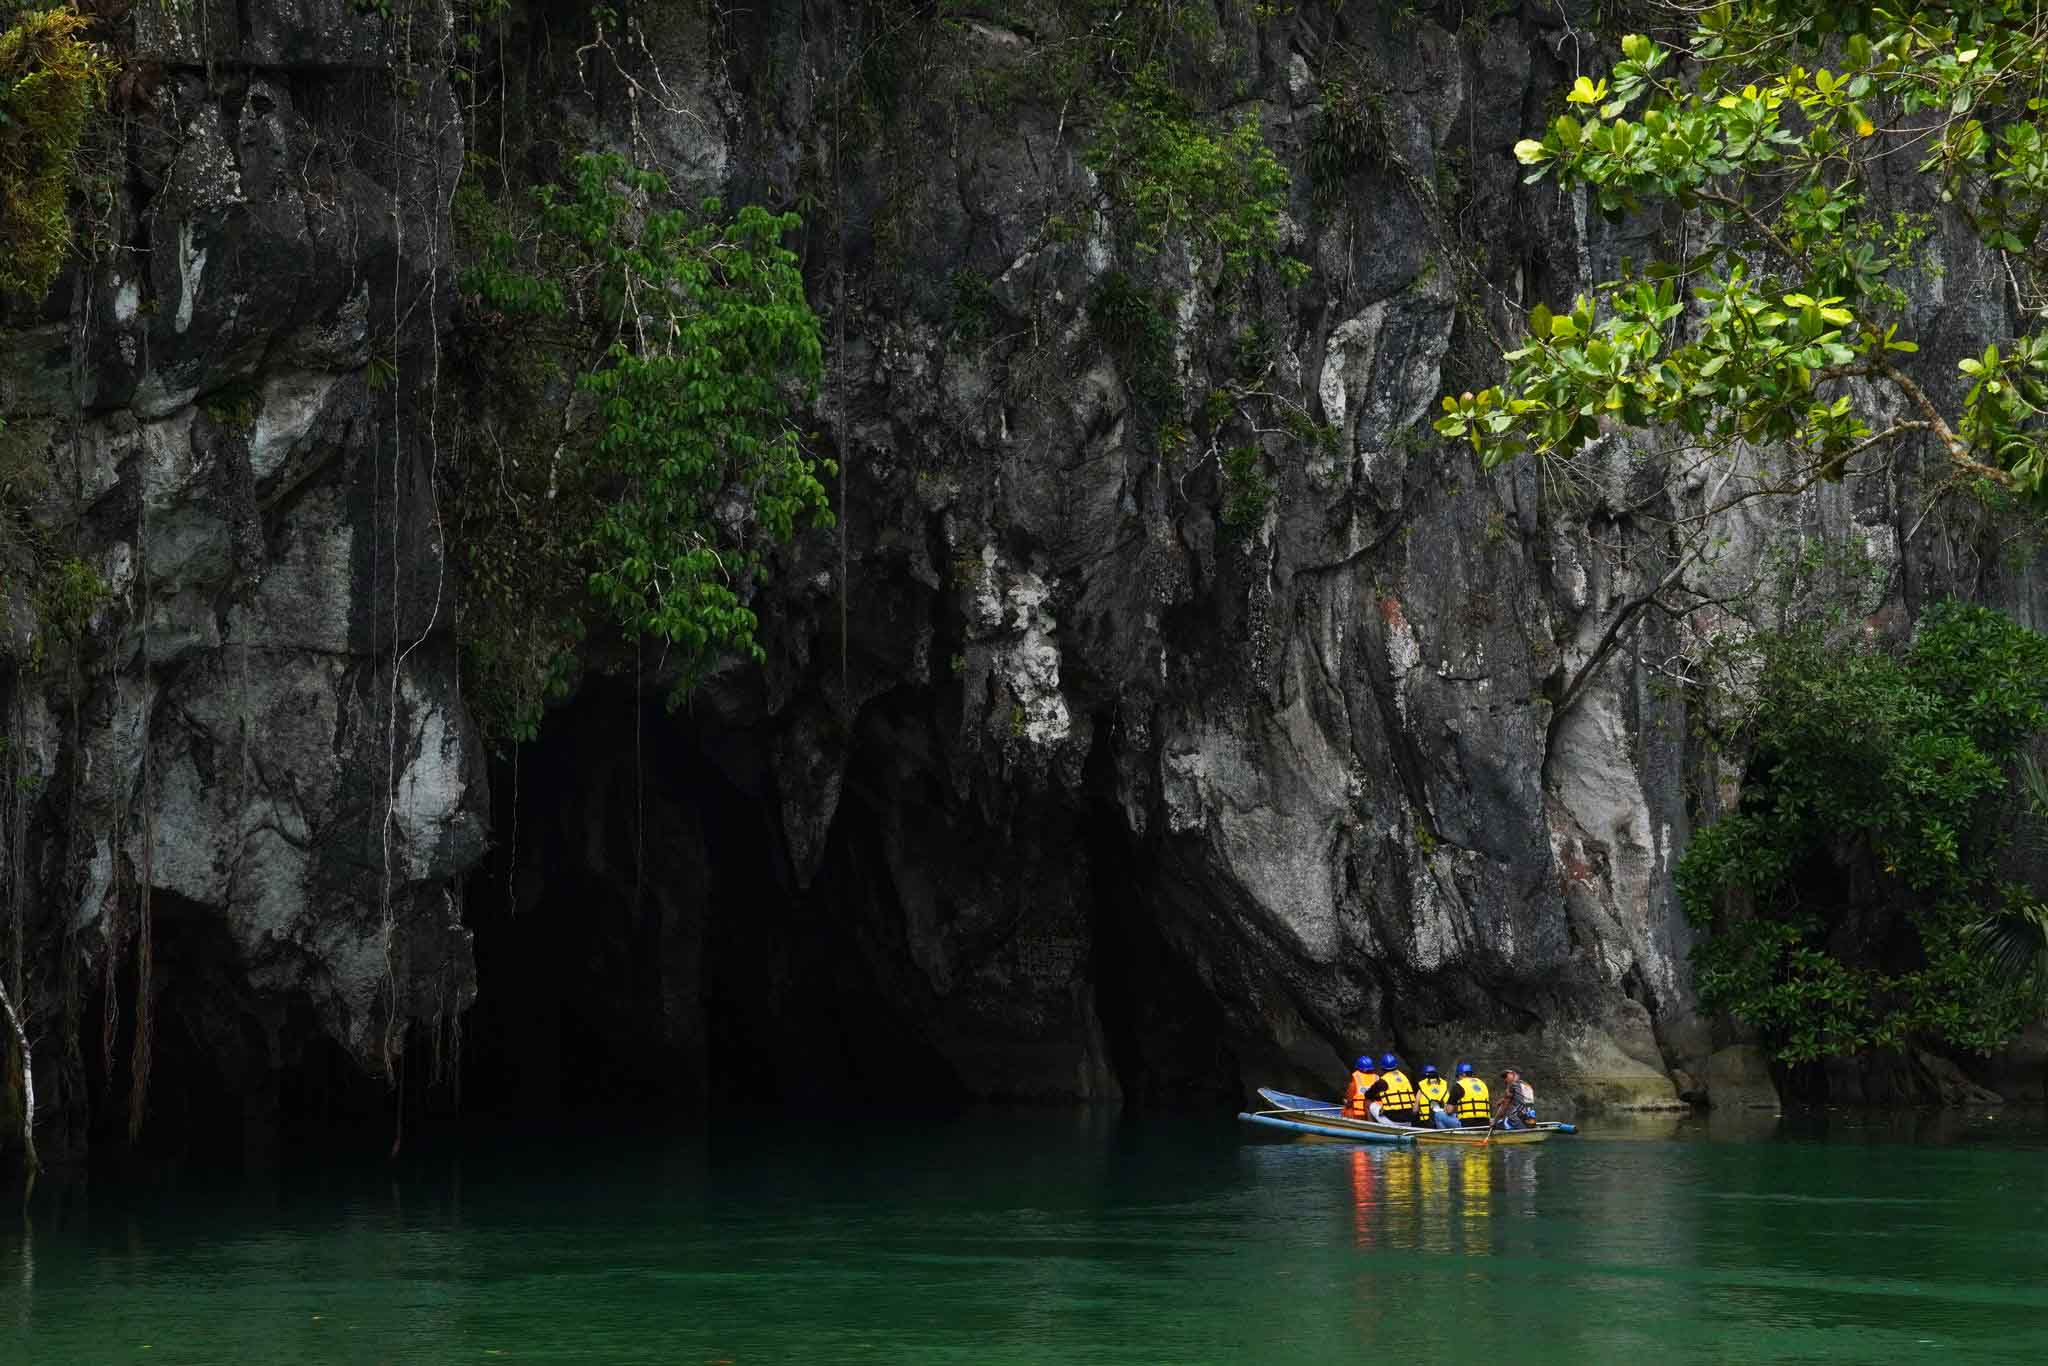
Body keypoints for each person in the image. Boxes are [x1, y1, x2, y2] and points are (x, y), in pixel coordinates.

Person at [1371, 1052, 1419, 1126]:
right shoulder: (1404, 1078)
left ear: (1382, 1068)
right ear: (1396, 1066)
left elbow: (1369, 1094)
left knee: (1370, 1104)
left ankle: (1371, 1127)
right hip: (1408, 1121)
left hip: (1392, 1122)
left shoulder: (1382, 1081)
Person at [1416, 1064, 1458, 1129]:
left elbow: (1415, 1109)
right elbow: (1450, 1105)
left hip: (1426, 1122)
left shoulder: (1421, 1089)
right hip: (1442, 1119)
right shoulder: (1444, 1086)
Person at [1450, 1062, 1490, 1127]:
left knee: (1439, 1115)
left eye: (1458, 1076)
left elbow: (1449, 1110)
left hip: (1466, 1124)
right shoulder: (1482, 1084)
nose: (1458, 1078)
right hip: (1485, 1123)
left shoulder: (1458, 1085)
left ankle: (1446, 1136)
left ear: (1462, 1074)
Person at [1343, 1054, 1380, 1119]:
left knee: (1347, 1110)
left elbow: (1349, 1103)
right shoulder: (1378, 1080)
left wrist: (1345, 1101)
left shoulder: (1354, 1083)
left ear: (1358, 1068)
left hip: (1360, 1115)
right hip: (1376, 1114)